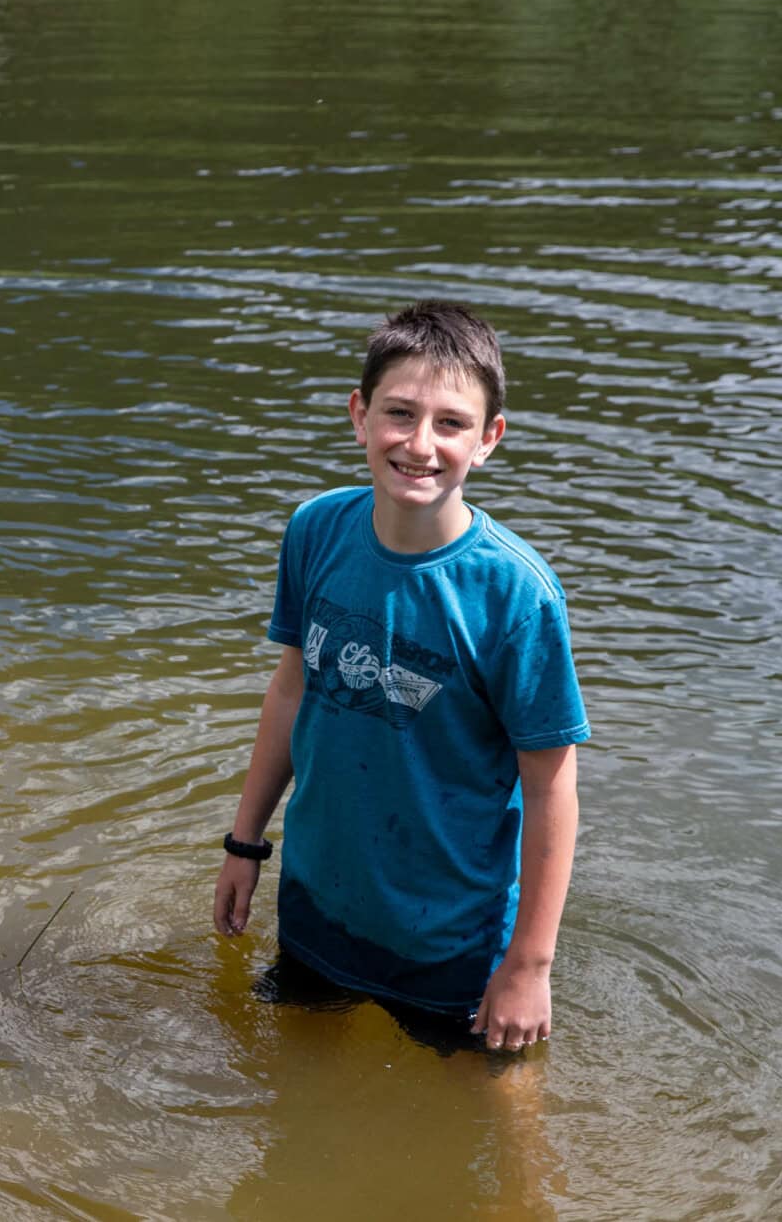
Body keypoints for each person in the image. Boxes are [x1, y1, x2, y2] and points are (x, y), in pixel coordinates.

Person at [211, 300, 589, 1054]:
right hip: (319, 903)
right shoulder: (317, 529)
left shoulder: (514, 596)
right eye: (400, 413)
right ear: (359, 415)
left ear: (488, 440)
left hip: (450, 938)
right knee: (293, 1101)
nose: (420, 444)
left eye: (450, 423)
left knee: (491, 1128)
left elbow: (551, 783)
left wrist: (528, 966)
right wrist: (245, 843)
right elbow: (292, 687)